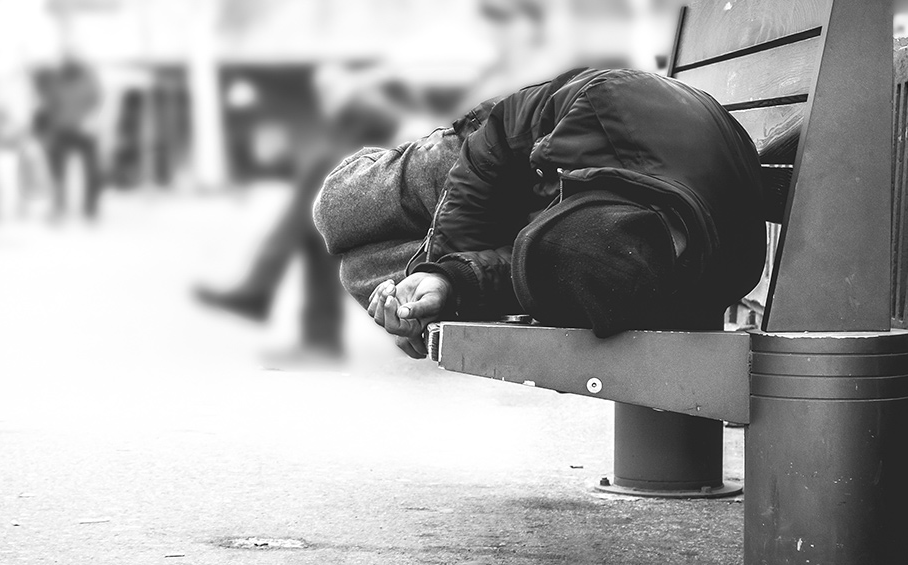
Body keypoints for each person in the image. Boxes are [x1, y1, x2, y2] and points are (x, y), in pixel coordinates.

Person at [313, 68, 766, 358]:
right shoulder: (607, 108)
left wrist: (448, 285)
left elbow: (546, 272)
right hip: (510, 159)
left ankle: (423, 282)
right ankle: (381, 164)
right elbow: (500, 132)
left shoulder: (640, 277)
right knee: (336, 209)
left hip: (557, 211)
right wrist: (447, 255)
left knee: (360, 269)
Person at [194, 77, 402, 362]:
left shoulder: (391, 97)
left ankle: (262, 290)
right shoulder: (376, 108)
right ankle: (278, 304)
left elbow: (387, 122)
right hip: (397, 184)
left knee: (320, 195)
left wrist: (353, 94)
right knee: (318, 213)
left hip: (409, 193)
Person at [37, 57, 104, 222]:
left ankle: (89, 207)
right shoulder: (59, 82)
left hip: (83, 130)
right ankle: (60, 206)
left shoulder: (85, 79)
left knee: (90, 170)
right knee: (58, 171)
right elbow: (49, 104)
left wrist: (89, 118)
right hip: (64, 130)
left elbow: (95, 100)